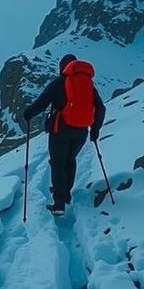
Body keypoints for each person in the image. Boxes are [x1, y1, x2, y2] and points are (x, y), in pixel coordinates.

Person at [22, 54, 106, 215]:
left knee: (57, 163)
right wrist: (95, 130)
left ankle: (59, 203)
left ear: (63, 68)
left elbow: (42, 103)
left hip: (60, 129)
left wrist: (28, 113)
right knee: (70, 160)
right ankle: (65, 194)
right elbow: (101, 108)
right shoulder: (89, 86)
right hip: (81, 131)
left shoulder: (58, 83)